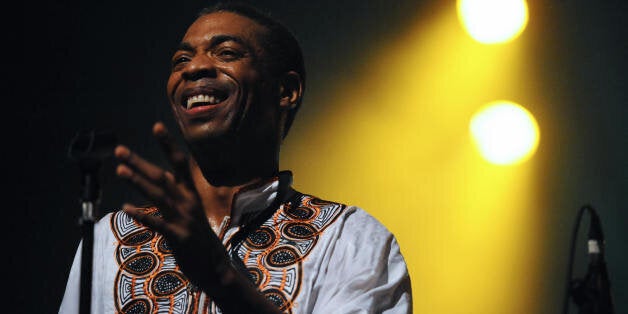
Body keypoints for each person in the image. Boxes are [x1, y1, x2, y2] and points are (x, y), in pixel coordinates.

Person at [59, 2, 412, 313]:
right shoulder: (112, 239)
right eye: (181, 59)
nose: (193, 68)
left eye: (226, 53)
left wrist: (220, 277)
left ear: (286, 91)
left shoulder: (349, 241)